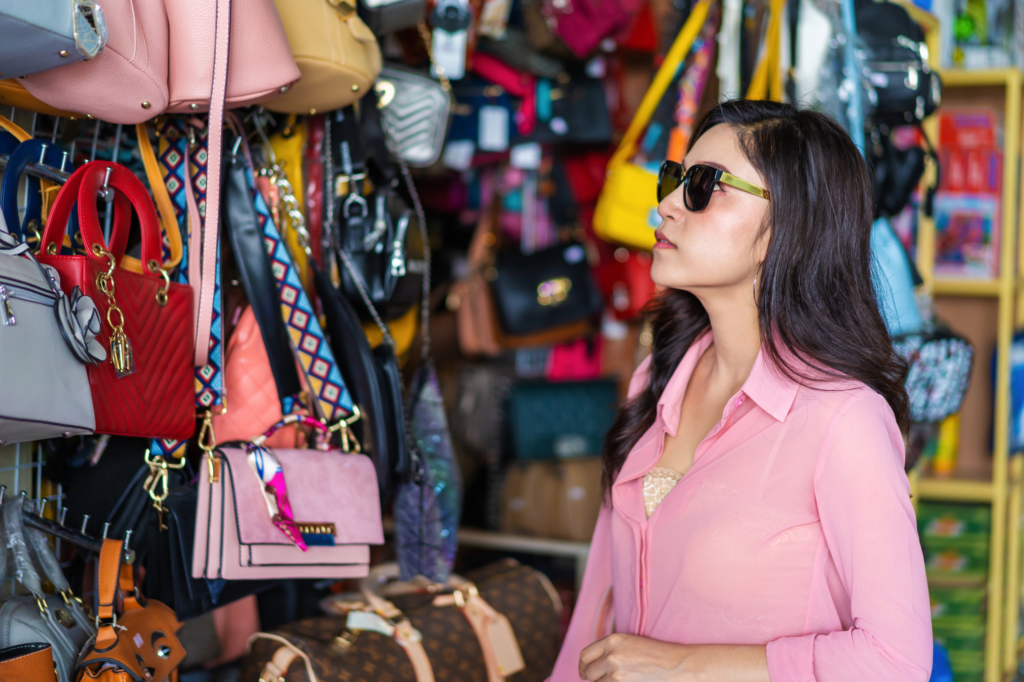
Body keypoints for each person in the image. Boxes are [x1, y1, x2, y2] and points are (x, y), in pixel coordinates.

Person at [551, 100, 932, 682]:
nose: (667, 205)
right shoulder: (659, 375)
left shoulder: (843, 419)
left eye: (705, 186)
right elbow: (597, 612)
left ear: (784, 230)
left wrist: (684, 667)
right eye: (675, 179)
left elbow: (896, 661)